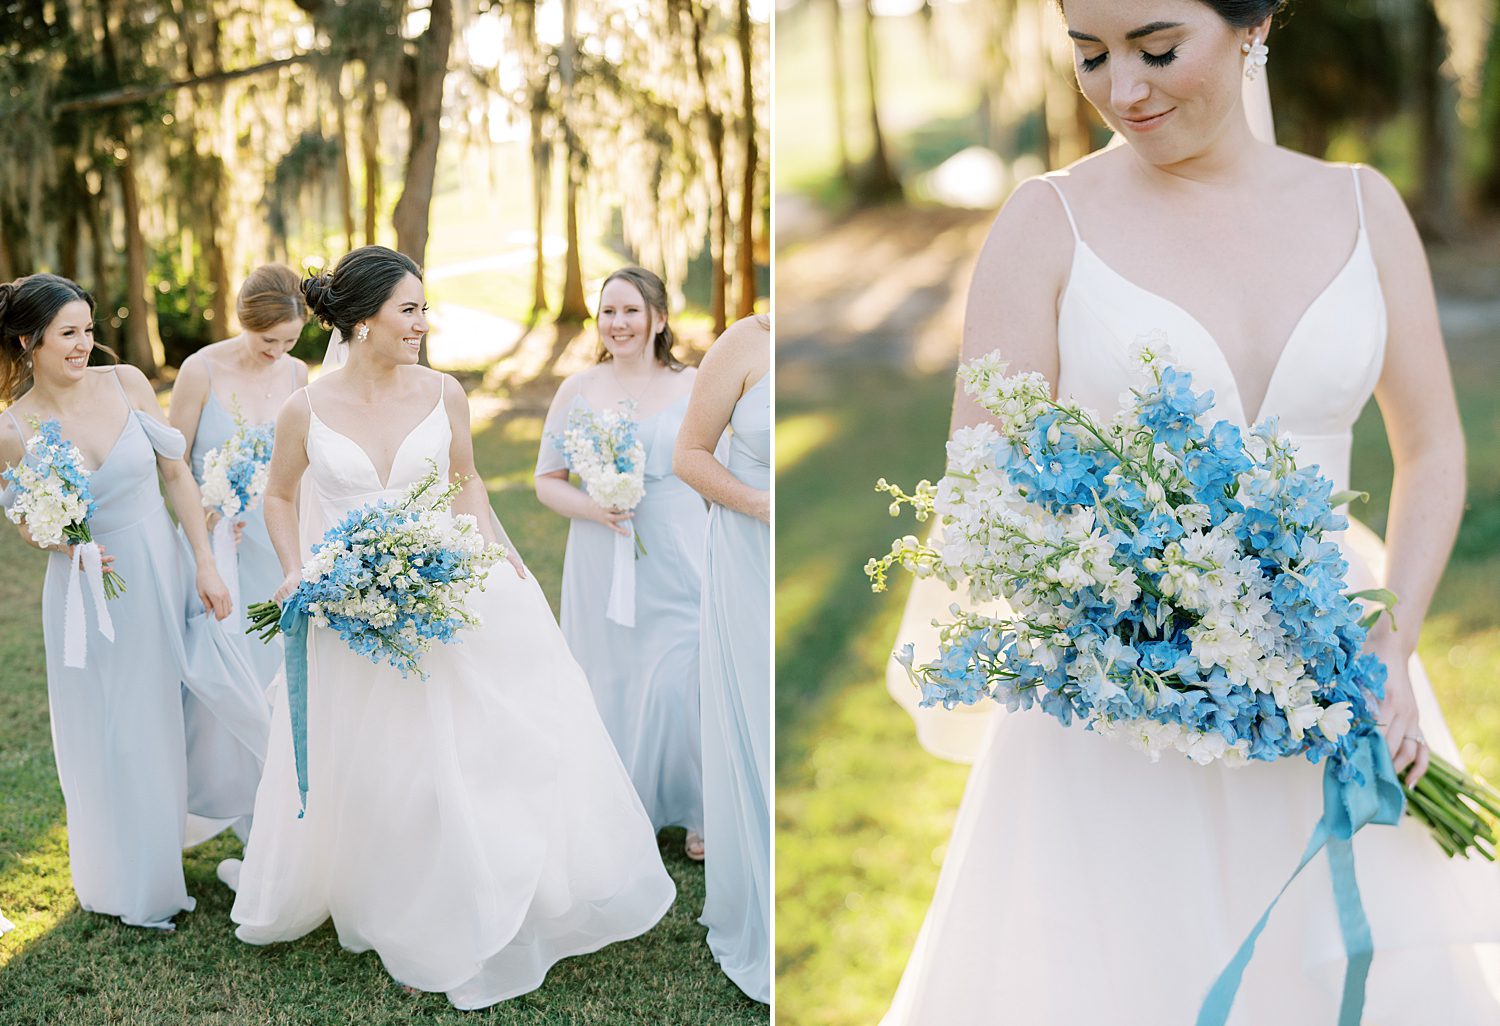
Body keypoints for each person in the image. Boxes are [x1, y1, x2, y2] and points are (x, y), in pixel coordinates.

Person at [881, 2, 1500, 1023]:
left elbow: (1432, 449)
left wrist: (1392, 644)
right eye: (1089, 55)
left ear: (1253, 23)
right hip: (1123, 710)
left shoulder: (1362, 206)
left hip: (1339, 671)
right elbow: (982, 483)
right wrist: (1134, 608)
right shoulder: (1048, 222)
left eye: (1158, 50)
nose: (1124, 90)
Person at [226, 246, 675, 1008]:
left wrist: (503, 559)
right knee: (384, 770)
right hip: (349, 608)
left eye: (424, 309)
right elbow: (278, 496)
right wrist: (296, 564)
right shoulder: (305, 408)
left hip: (448, 592)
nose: (423, 325)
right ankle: (395, 903)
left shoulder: (444, 394)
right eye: (410, 310)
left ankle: (483, 893)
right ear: (364, 321)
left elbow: (465, 484)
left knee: (471, 756)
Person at [0, 273, 260, 930]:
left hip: (165, 563)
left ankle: (260, 834)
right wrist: (63, 543)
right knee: (123, 729)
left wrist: (204, 562)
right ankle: (137, 880)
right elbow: (25, 521)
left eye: (89, 329)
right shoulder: (12, 428)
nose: (85, 343)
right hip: (92, 591)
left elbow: (176, 470)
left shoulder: (127, 383)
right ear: (30, 341)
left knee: (211, 696)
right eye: (70, 333)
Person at [535, 267, 707, 858]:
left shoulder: (697, 385)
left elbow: (720, 467)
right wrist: (595, 506)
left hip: (681, 549)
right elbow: (545, 482)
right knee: (609, 673)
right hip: (601, 554)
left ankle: (700, 806)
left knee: (688, 673)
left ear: (659, 318)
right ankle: (617, 804)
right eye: (608, 311)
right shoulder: (577, 389)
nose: (618, 323)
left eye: (631, 310)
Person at [673, 314, 771, 1002]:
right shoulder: (747, 341)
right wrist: (760, 503)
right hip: (750, 546)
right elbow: (691, 454)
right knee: (758, 714)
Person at [170, 263, 309, 677]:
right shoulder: (200, 370)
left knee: (275, 662)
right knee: (218, 662)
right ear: (244, 320)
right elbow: (175, 464)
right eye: (269, 339)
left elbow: (296, 466)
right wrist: (206, 530)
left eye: (291, 340)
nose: (278, 351)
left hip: (274, 539)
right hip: (211, 535)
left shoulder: (297, 372)